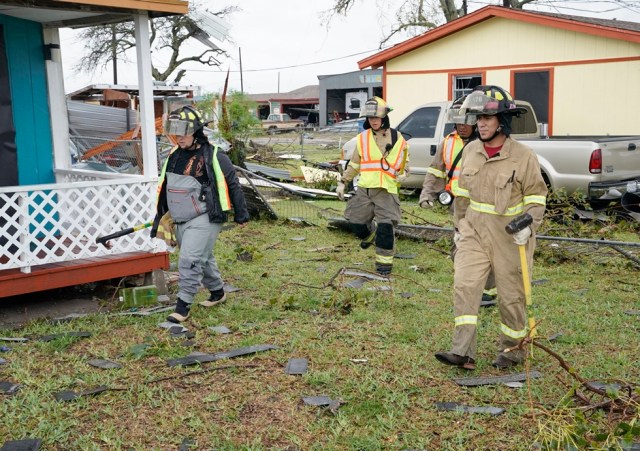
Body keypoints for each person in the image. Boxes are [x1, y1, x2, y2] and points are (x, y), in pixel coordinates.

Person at [434, 85, 547, 370]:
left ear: (503, 122)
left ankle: (512, 351)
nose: (480, 124)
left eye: (487, 119)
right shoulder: (471, 150)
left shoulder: (523, 156)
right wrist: (459, 227)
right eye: (478, 118)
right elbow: (462, 194)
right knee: (465, 285)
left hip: (511, 238)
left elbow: (536, 197)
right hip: (473, 232)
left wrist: (529, 225)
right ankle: (462, 351)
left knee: (511, 297)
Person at [151, 105, 249, 323]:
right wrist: (162, 216)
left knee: (190, 258)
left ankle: (182, 306)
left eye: (183, 131)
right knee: (203, 257)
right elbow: (166, 185)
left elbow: (233, 184)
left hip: (206, 215)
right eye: (175, 131)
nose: (178, 137)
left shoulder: (214, 154)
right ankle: (217, 293)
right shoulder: (174, 155)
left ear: (195, 131)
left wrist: (241, 214)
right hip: (180, 218)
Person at [419, 95, 497, 305]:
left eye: (467, 121)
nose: (462, 126)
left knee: (486, 247)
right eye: (458, 121)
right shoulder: (448, 142)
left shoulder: (488, 143)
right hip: (459, 207)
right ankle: (470, 285)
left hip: (484, 204)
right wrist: (427, 194)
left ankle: (488, 291)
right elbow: (436, 171)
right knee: (461, 247)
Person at [336, 96, 409, 276]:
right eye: (370, 118)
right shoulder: (362, 138)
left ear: (384, 117)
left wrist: (404, 174)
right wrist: (342, 182)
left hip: (386, 190)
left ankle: (384, 266)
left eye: (376, 117)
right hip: (365, 189)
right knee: (355, 221)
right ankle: (371, 235)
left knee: (385, 228)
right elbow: (354, 164)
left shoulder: (397, 138)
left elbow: (405, 163)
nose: (373, 121)